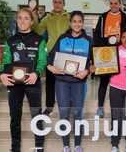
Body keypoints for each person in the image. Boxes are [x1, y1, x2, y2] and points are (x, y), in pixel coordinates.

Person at [0, 8, 47, 152]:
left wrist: (37, 73)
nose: (22, 21)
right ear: (16, 20)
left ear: (32, 21)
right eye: (19, 18)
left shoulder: (39, 40)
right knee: (15, 117)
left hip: (33, 82)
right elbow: (6, 61)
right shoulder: (10, 41)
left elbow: (42, 61)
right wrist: (1, 73)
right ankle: (15, 148)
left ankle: (39, 148)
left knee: (36, 116)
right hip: (15, 84)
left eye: (26, 18)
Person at [47, 11, 92, 152]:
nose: (77, 24)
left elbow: (95, 63)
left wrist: (87, 71)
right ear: (70, 23)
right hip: (62, 82)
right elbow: (50, 58)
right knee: (64, 113)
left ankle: (78, 144)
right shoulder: (62, 38)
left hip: (79, 83)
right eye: (74, 21)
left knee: (78, 113)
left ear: (82, 23)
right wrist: (51, 68)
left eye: (80, 21)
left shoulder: (89, 40)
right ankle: (66, 145)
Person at [92, 0, 126, 118]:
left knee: (122, 82)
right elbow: (97, 36)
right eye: (111, 3)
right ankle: (100, 108)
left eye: (116, 3)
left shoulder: (125, 17)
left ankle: (125, 108)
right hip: (106, 53)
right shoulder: (103, 16)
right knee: (104, 82)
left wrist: (122, 40)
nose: (113, 5)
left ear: (120, 4)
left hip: (120, 52)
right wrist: (97, 53)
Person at [33, 0, 70, 115]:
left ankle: (67, 104)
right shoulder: (47, 18)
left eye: (59, 2)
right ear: (52, 4)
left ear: (64, 4)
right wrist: (34, 16)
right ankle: (49, 106)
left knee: (66, 80)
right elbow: (38, 30)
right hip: (51, 53)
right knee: (50, 82)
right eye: (55, 2)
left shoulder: (69, 17)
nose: (57, 4)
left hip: (66, 53)